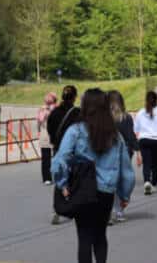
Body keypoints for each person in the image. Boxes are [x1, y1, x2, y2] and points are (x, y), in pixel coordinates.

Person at [51, 88, 135, 263]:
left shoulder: (75, 131)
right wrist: (124, 195)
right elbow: (126, 170)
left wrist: (62, 183)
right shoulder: (115, 135)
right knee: (100, 236)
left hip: (82, 190)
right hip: (106, 192)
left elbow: (59, 161)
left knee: (84, 237)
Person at [47, 85, 81, 225]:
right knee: (74, 178)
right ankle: (73, 207)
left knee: (59, 177)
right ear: (74, 97)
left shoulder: (54, 112)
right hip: (73, 150)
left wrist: (55, 141)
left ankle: (56, 209)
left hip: (58, 149)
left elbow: (49, 128)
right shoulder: (77, 113)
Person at [107, 90, 138, 225]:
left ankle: (110, 209)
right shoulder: (125, 117)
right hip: (125, 152)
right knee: (123, 179)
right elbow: (130, 136)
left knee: (110, 181)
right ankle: (119, 209)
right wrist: (137, 149)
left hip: (108, 153)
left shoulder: (104, 117)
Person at [133, 90, 157, 195]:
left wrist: (136, 142)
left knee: (146, 163)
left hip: (144, 140)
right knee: (155, 164)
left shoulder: (140, 113)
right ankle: (154, 184)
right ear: (156, 100)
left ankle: (147, 181)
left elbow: (135, 129)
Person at [37, 92, 58, 185]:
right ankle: (46, 177)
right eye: (47, 98)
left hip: (56, 136)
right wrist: (45, 111)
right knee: (46, 158)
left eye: (50, 98)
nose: (47, 100)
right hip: (45, 135)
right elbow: (40, 120)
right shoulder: (42, 109)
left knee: (58, 157)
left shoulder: (57, 109)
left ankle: (58, 176)